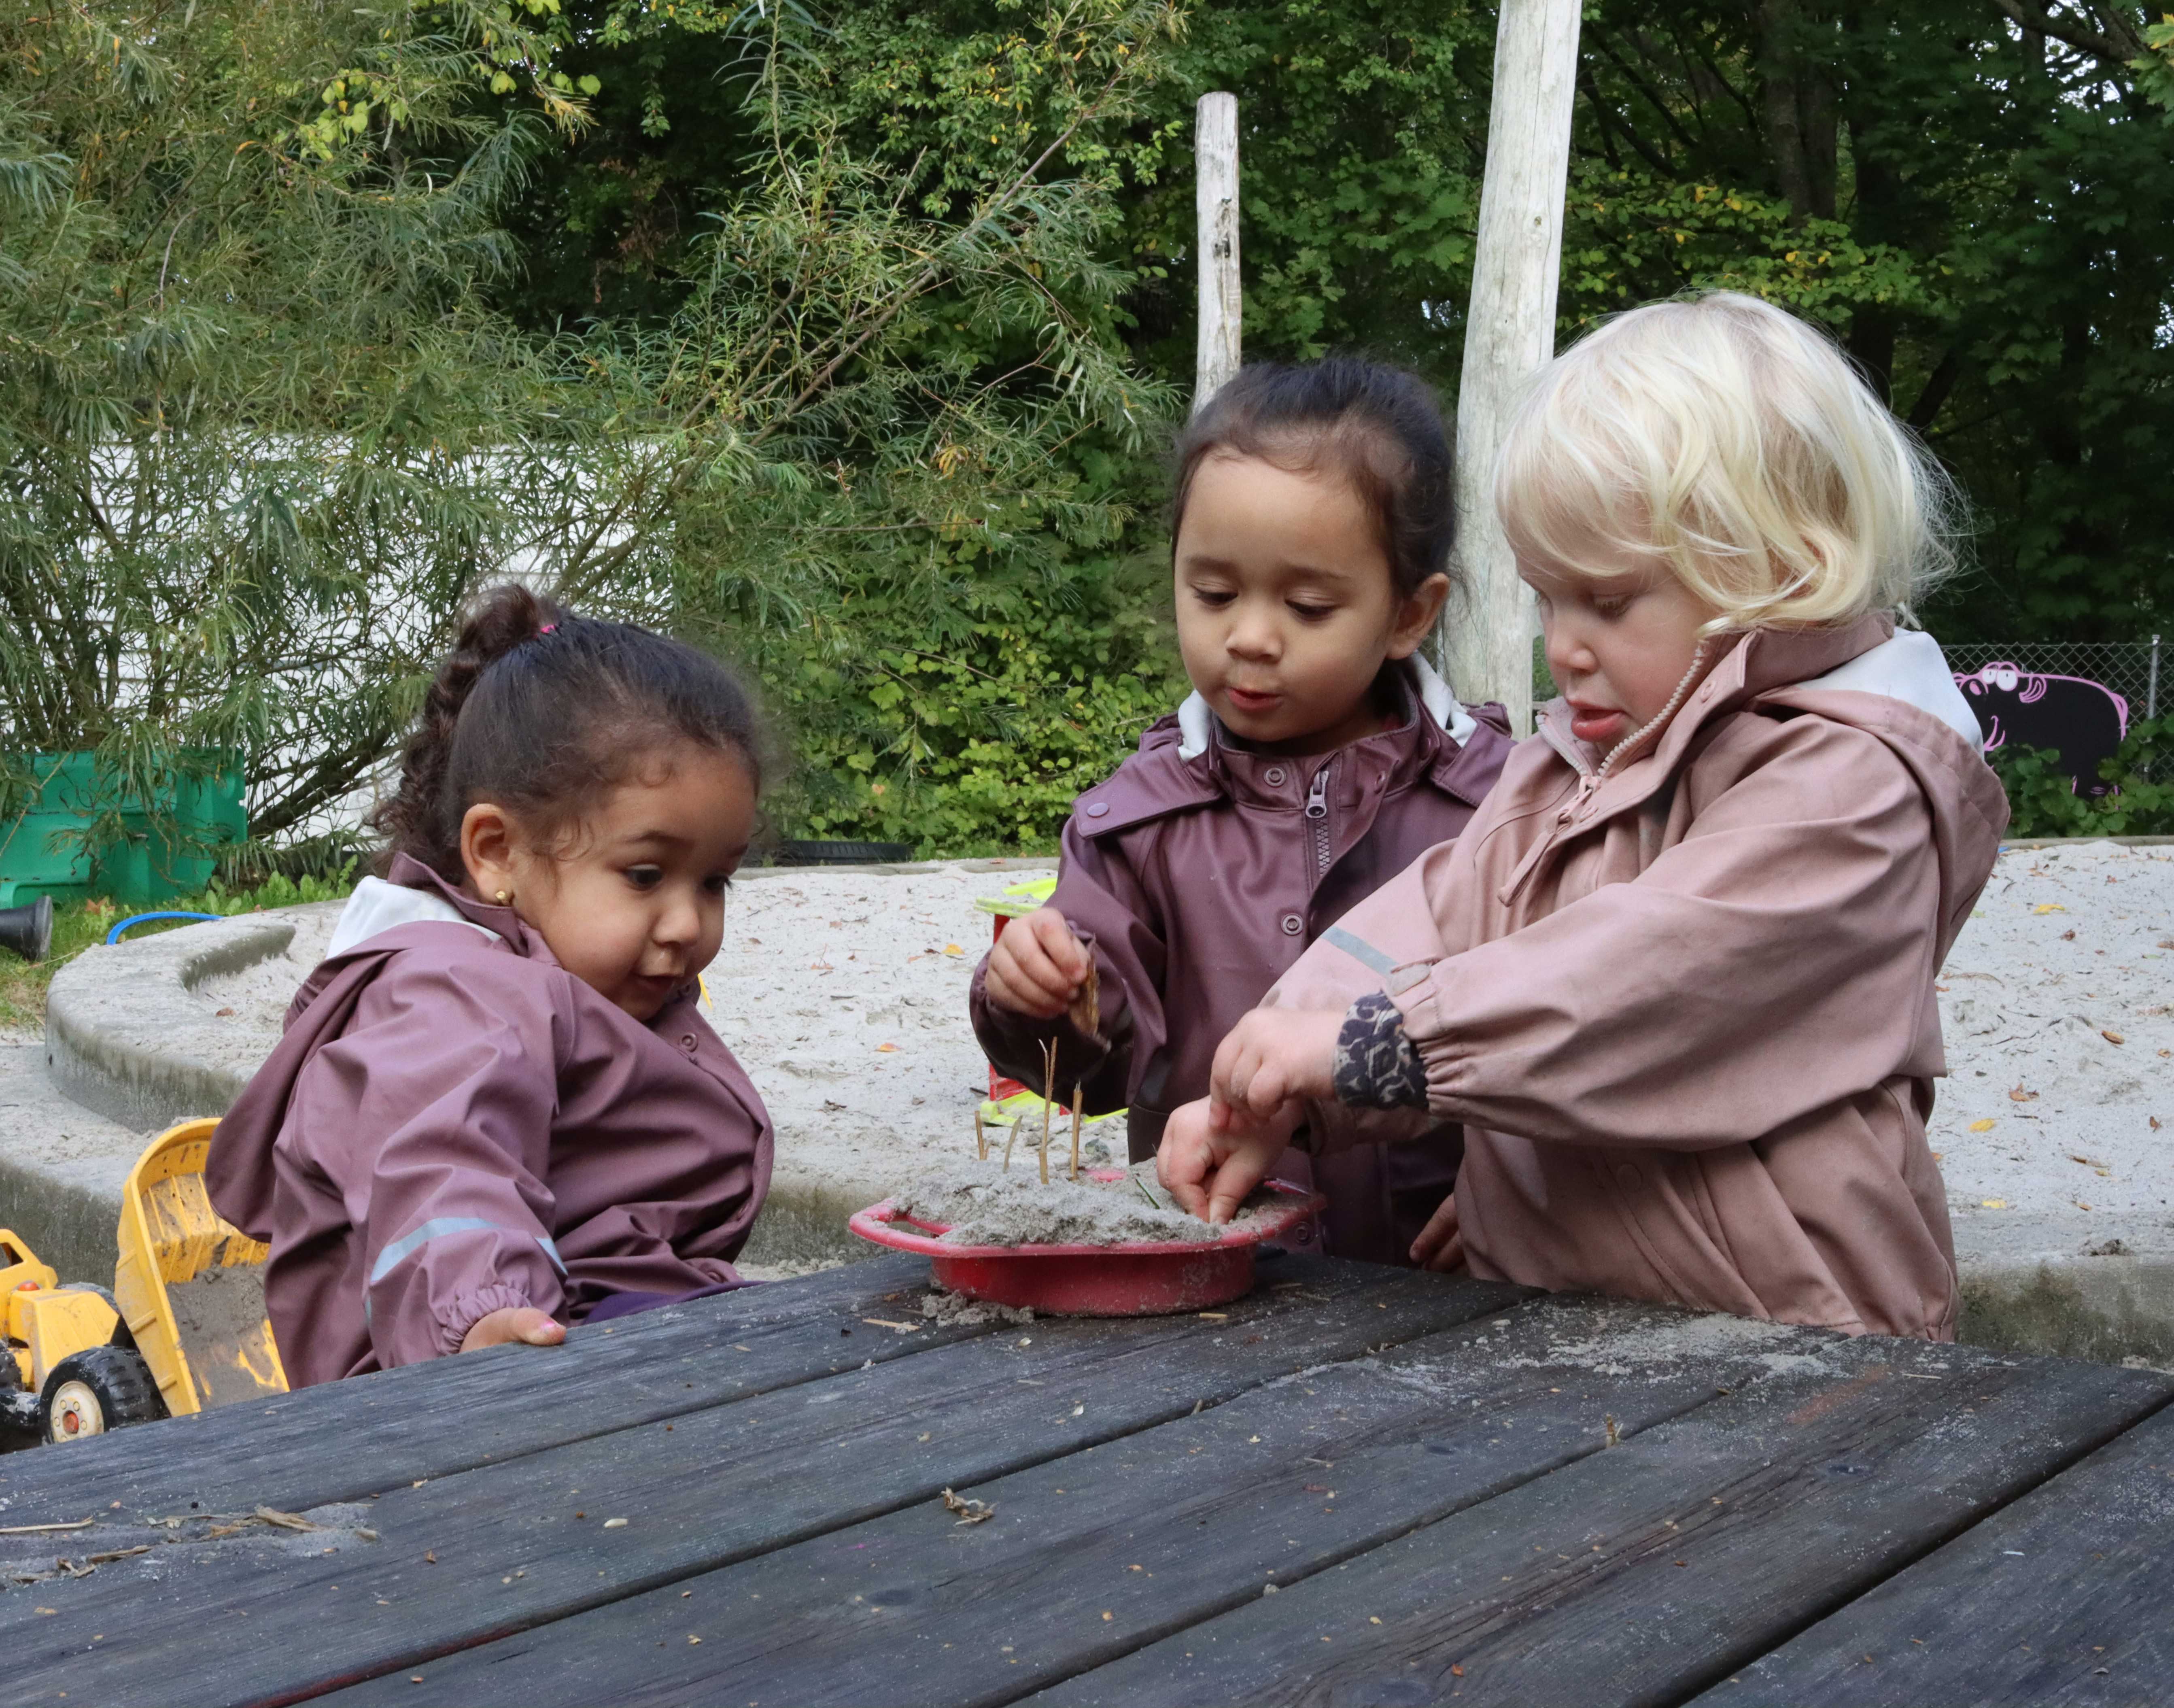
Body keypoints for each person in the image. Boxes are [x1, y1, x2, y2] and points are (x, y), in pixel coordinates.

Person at [1161, 292, 2007, 1340]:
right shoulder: (1575, 767)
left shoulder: (1852, 790)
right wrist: (1273, 1071)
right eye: (1545, 597)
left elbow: (1647, 982)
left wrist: (1361, 1047)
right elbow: (1434, 912)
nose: (1561, 646)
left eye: (1605, 602)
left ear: (1780, 573)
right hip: (1571, 1336)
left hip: (1797, 1345)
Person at [970, 357, 1515, 1266]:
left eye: (1306, 605)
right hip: (1212, 1284)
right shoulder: (1140, 819)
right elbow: (1099, 1074)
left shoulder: (1501, 809)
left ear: (1408, 615)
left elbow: (1561, 1024)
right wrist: (1036, 999)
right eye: (1213, 593)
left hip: (1446, 1295)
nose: (1250, 636)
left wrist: (1526, 1184)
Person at [208, 586, 774, 1385]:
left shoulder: (565, 981)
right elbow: (442, 1160)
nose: (687, 923)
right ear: (498, 851)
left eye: (715, 882)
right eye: (645, 874)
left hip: (593, 1318)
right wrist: (478, 1315)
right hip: (481, 1368)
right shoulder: (453, 995)